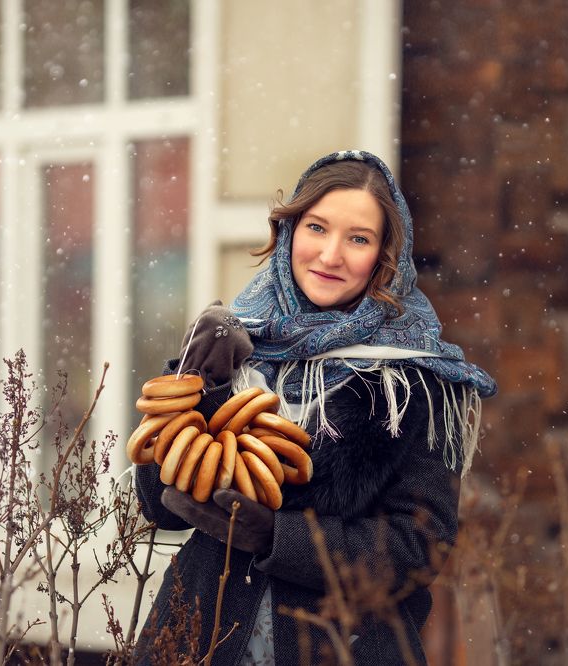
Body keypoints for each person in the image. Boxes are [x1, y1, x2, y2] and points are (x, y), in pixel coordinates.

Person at [133, 150, 496, 665]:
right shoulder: (236, 347)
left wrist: (280, 537)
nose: (330, 255)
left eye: (358, 239)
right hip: (198, 641)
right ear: (289, 232)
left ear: (386, 256)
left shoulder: (415, 383)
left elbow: (417, 549)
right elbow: (157, 504)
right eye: (317, 228)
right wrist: (200, 379)